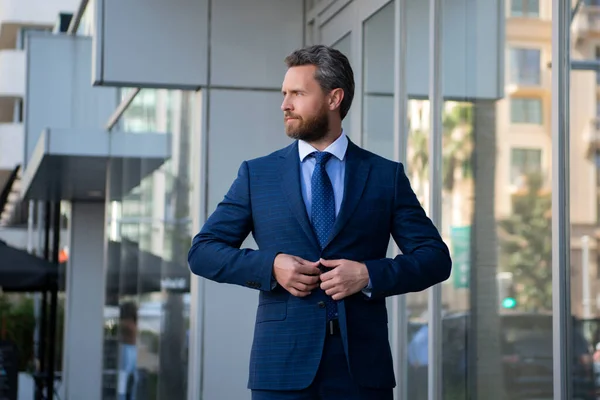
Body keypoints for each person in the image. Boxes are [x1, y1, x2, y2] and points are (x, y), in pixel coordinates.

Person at [187, 44, 451, 400]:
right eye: (284, 94)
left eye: (297, 93)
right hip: (280, 368)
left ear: (334, 98)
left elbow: (435, 258)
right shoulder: (257, 175)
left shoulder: (384, 176)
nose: (285, 104)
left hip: (361, 370)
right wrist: (272, 266)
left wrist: (369, 275)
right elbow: (202, 252)